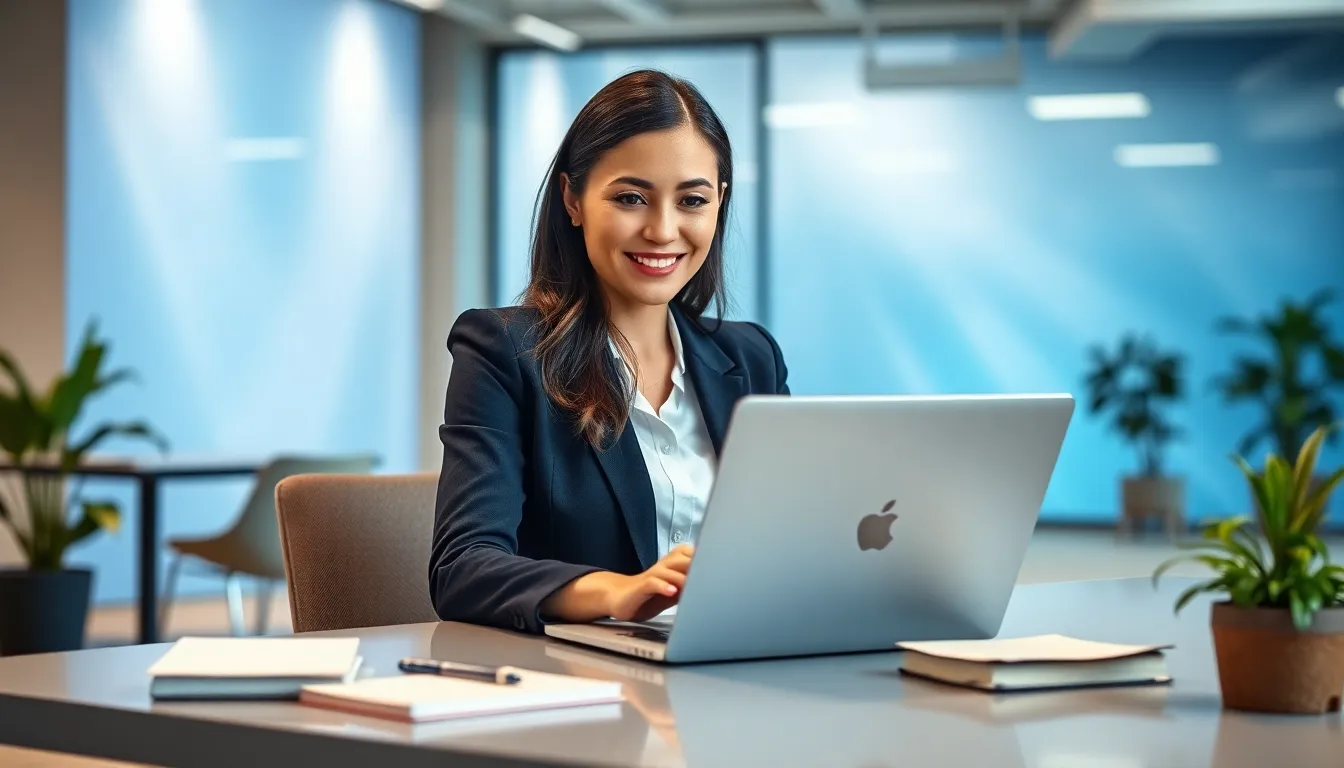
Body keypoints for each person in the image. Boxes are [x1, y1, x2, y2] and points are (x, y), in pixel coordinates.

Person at [429, 69, 789, 635]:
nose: (662, 230)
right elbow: (463, 568)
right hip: (587, 690)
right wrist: (615, 591)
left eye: (692, 200)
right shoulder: (504, 351)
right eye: (630, 198)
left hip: (745, 671)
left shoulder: (751, 359)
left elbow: (795, 541)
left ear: (719, 203)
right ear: (573, 199)